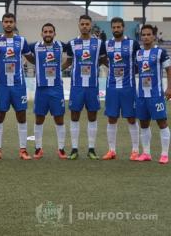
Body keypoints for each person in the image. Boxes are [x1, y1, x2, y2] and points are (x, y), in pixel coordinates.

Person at [0, 13, 34, 160]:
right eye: (6, 22)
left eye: (10, 22)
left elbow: (31, 57)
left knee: (21, 116)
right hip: (2, 85)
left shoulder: (22, 41)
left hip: (18, 85)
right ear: (2, 23)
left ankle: (23, 150)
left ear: (14, 23)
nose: (8, 24)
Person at [62, 15, 107, 160]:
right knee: (74, 116)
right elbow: (68, 62)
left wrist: (115, 67)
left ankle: (91, 149)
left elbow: (102, 60)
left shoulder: (99, 43)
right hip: (77, 86)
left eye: (87, 24)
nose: (85, 26)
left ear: (91, 25)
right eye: (82, 24)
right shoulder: (72, 43)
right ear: (79, 25)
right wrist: (57, 68)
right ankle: (74, 149)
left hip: (92, 86)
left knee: (92, 116)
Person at [102, 17, 141, 161]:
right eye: (114, 27)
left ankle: (135, 150)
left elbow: (142, 60)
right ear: (111, 28)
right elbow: (102, 59)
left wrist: (131, 71)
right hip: (112, 87)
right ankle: (112, 150)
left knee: (131, 118)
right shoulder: (106, 44)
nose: (116, 29)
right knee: (112, 118)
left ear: (123, 27)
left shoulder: (132, 43)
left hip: (128, 87)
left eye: (119, 27)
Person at [30, 23, 68, 160]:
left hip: (56, 88)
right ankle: (38, 148)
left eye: (50, 32)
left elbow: (72, 55)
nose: (47, 34)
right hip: (41, 89)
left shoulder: (61, 45)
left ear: (54, 34)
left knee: (59, 118)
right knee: (39, 118)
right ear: (41, 34)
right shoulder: (35, 46)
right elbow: (23, 52)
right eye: (45, 31)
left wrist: (60, 68)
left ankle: (61, 149)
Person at [135, 24, 171, 164]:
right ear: (141, 37)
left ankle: (164, 154)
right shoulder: (138, 54)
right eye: (143, 35)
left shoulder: (161, 52)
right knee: (143, 124)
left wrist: (169, 88)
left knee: (162, 123)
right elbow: (136, 70)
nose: (146, 37)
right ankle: (146, 153)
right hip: (142, 95)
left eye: (149, 34)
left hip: (156, 94)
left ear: (154, 36)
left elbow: (169, 70)